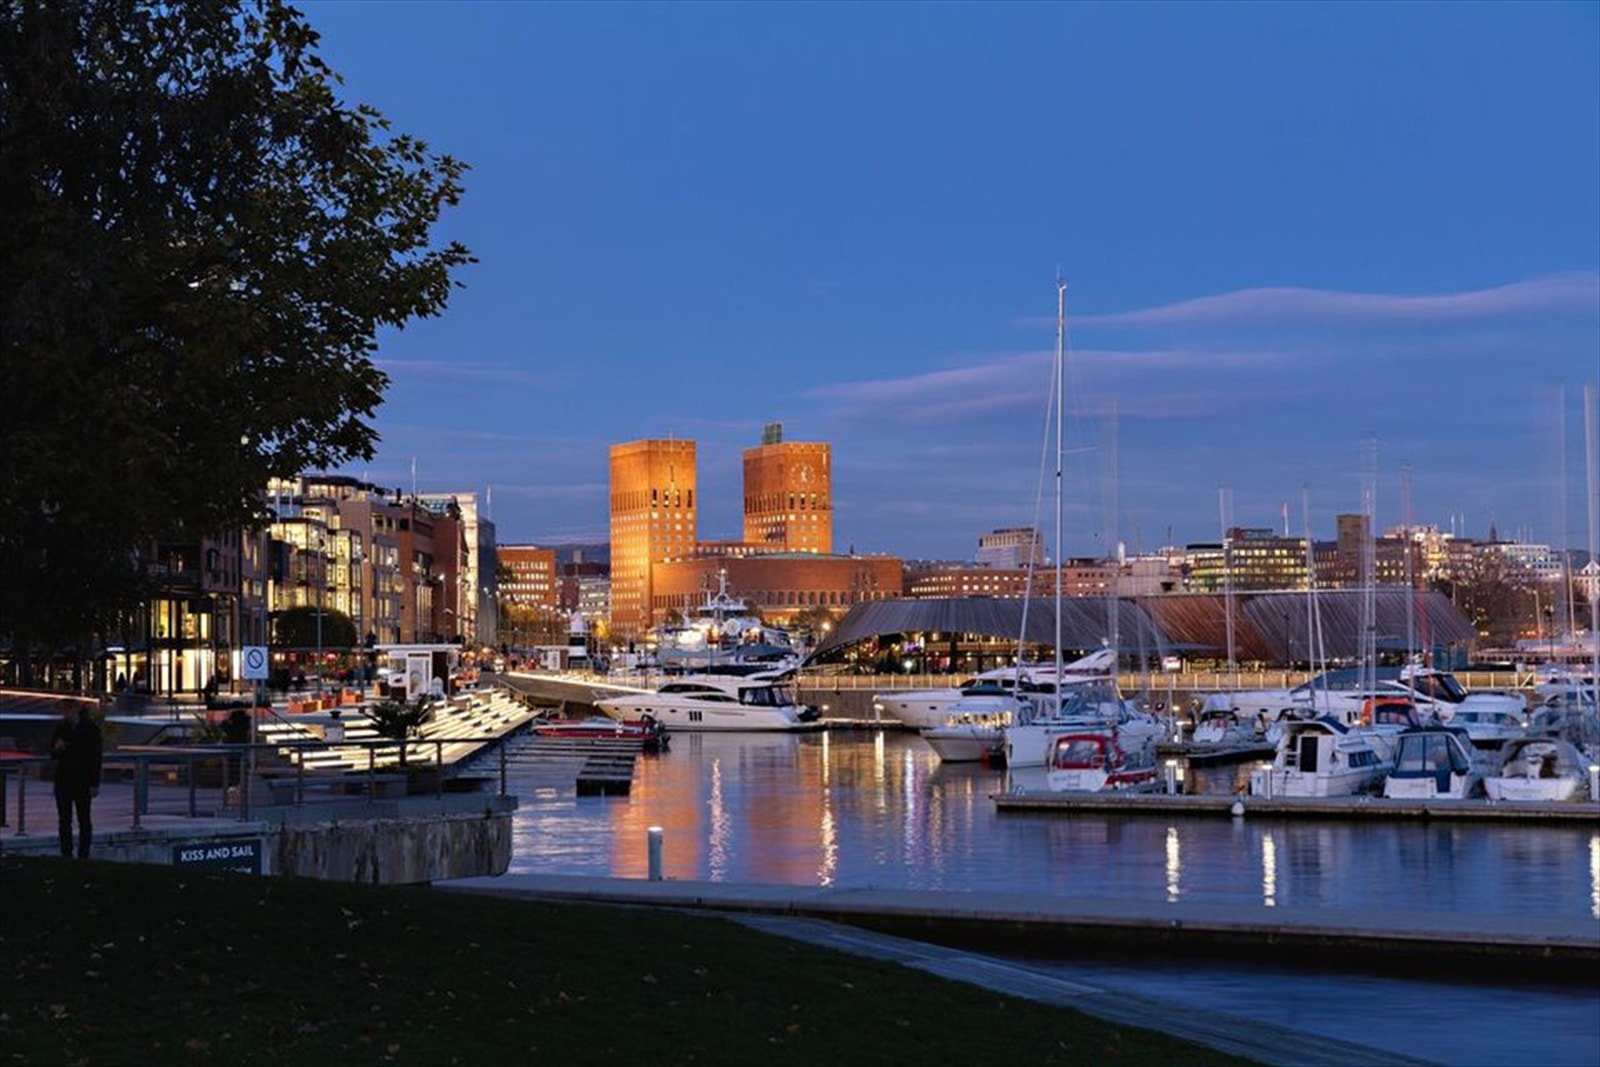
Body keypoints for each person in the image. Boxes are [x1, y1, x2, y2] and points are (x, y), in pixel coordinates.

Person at [50, 702, 103, 859]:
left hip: (83, 780)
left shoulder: (90, 729)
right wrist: (57, 749)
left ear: (75, 710)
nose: (64, 714)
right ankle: (66, 853)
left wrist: (94, 783)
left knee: (84, 819)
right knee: (64, 820)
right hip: (64, 779)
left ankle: (83, 854)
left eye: (67, 710)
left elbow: (96, 757)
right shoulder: (61, 727)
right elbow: (52, 752)